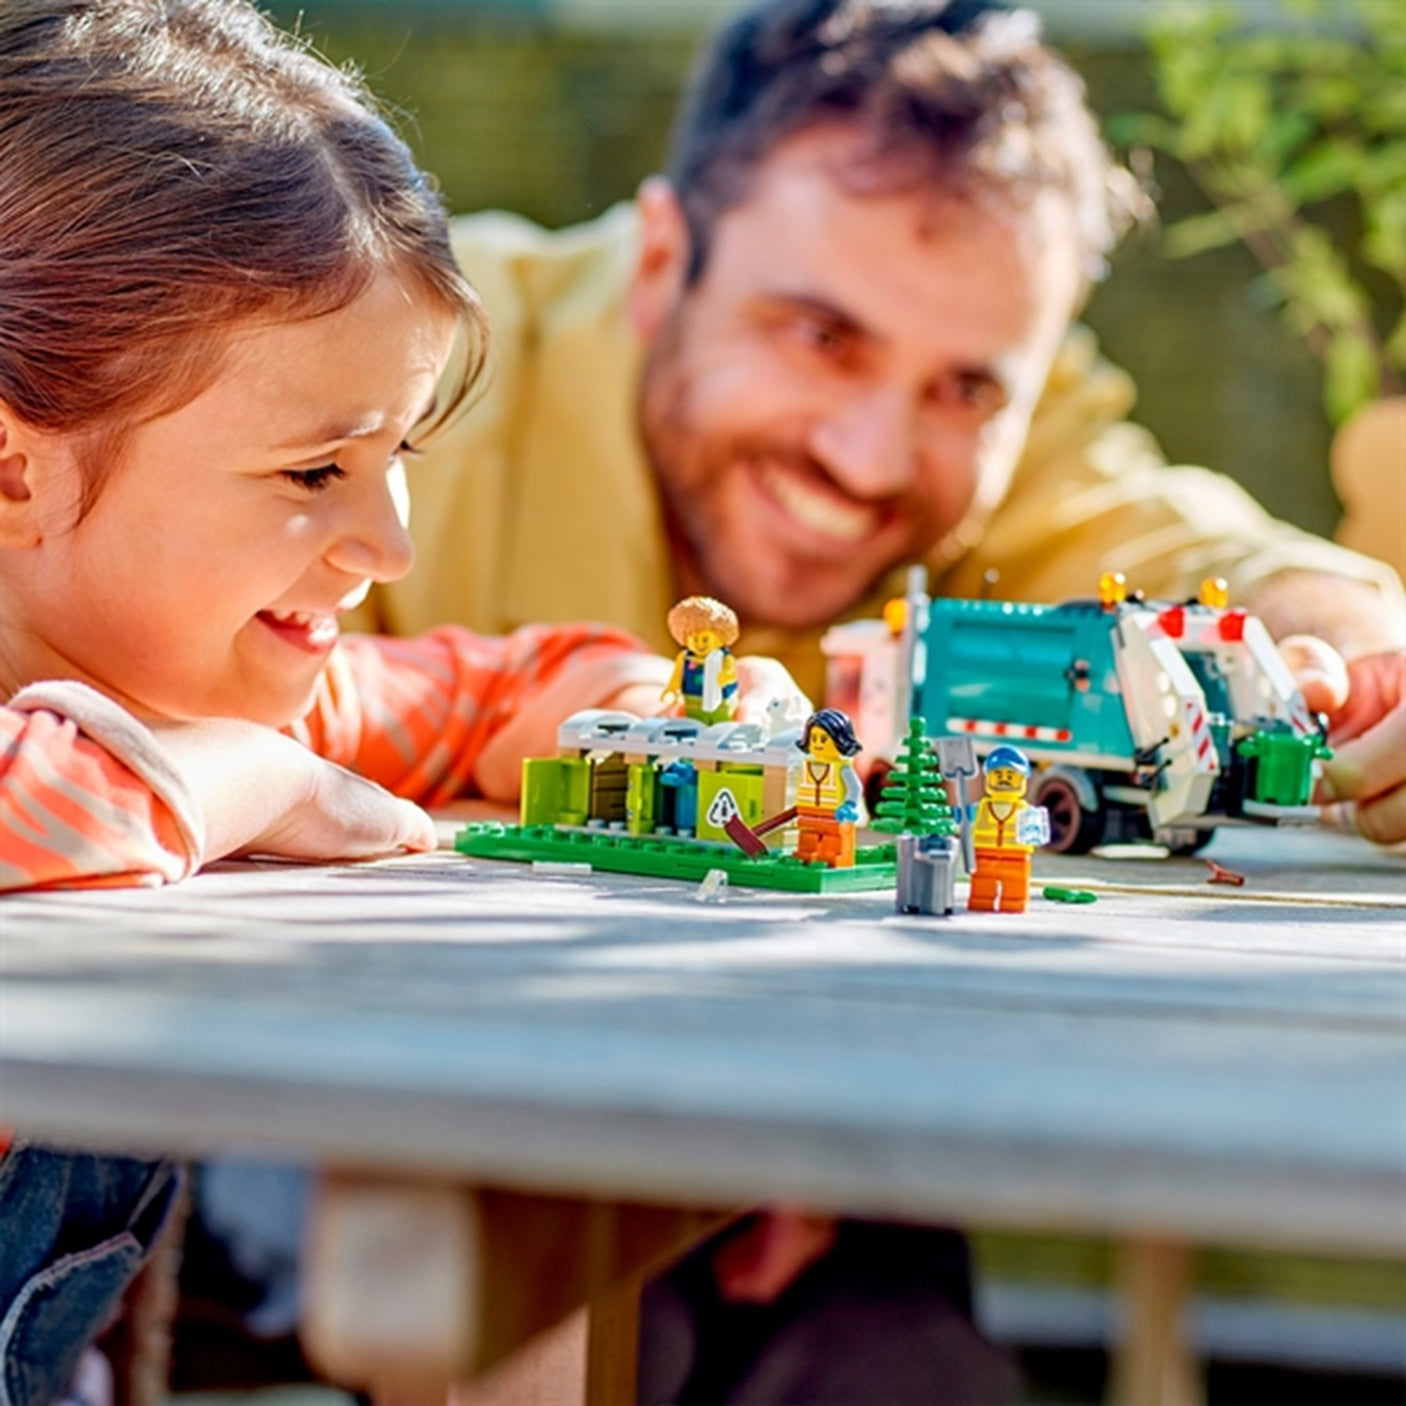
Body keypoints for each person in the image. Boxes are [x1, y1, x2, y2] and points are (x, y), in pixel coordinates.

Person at [344, 0, 1404, 1397]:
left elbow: (1228, 565)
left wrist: (1351, 661)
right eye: (816, 335)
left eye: (965, 387)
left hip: (825, 1155)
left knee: (907, 1365)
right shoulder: (401, 359)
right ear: (661, 264)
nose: (866, 452)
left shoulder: (1029, 453)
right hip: (383, 1115)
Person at [0, 2, 804, 1397]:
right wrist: (266, 782)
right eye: (317, 472)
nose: (391, 547)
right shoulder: (211, 740)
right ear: (16, 472)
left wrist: (653, 710)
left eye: (401, 455)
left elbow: (483, 685)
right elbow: (35, 803)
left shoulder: (196, 687)